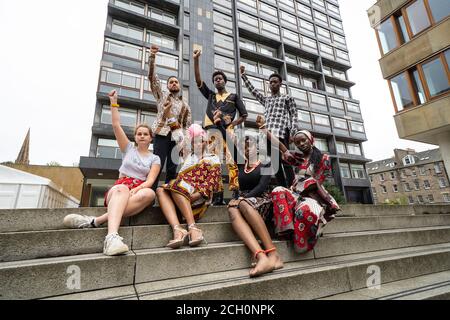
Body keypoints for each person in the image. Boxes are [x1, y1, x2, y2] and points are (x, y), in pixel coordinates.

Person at [64, 90, 161, 256]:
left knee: (150, 194)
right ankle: (112, 238)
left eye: (146, 134)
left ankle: (95, 221)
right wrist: (113, 102)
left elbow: (150, 180)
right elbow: (116, 125)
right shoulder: (128, 149)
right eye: (139, 134)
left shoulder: (155, 158)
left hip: (139, 189)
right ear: (135, 137)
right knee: (122, 189)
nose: (142, 136)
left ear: (151, 138)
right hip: (121, 188)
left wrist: (137, 189)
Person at [257, 116, 340, 253]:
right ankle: (287, 231)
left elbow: (317, 181)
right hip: (296, 194)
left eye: (303, 140)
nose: (301, 144)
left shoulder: (324, 158)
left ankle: (306, 238)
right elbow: (282, 147)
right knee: (277, 190)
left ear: (311, 140)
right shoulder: (298, 159)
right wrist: (264, 129)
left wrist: (304, 185)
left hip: (312, 197)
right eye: (297, 142)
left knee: (305, 210)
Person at [194, 49, 248, 205]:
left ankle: (236, 192)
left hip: (227, 132)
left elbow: (244, 115)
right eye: (215, 79)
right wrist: (196, 59)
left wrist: (232, 123)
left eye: (220, 78)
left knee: (232, 162)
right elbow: (198, 81)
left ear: (225, 81)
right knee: (214, 163)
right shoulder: (210, 95)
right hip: (211, 132)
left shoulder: (233, 97)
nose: (218, 80)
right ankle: (217, 195)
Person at [156, 124, 223, 249]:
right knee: (160, 190)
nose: (198, 144)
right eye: (195, 142)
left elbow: (211, 182)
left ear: (206, 142)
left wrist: (194, 196)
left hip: (198, 198)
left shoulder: (213, 158)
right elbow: (177, 135)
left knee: (175, 185)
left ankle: (193, 227)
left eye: (201, 141)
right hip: (181, 196)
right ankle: (177, 229)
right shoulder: (187, 159)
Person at [227, 133, 284, 278]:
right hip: (244, 201)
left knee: (243, 204)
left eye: (249, 146)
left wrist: (242, 198)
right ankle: (261, 256)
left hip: (262, 198)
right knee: (232, 209)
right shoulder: (241, 165)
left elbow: (262, 186)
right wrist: (220, 124)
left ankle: (273, 253)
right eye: (244, 147)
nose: (247, 149)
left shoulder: (266, 163)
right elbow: (228, 142)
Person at [240, 65, 298, 188]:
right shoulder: (266, 100)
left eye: (275, 82)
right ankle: (283, 188)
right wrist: (243, 76)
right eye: (270, 82)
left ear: (280, 84)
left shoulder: (287, 98)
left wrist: (293, 132)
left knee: (286, 161)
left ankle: (294, 187)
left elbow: (294, 115)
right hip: (267, 134)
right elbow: (254, 92)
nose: (272, 84)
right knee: (274, 163)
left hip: (281, 132)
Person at [149, 44, 192, 189]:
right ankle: (150, 195)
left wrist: (183, 143)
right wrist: (152, 57)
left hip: (176, 138)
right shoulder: (162, 96)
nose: (174, 83)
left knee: (172, 168)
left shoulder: (186, 106)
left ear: (179, 86)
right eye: (171, 82)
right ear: (167, 86)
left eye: (176, 82)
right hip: (161, 134)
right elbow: (153, 79)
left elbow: (186, 126)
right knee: (157, 164)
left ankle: (168, 194)